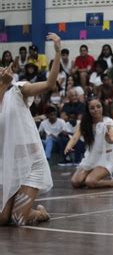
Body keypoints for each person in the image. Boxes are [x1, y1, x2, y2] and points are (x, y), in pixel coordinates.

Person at [0, 33, 62, 226]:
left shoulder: (19, 89)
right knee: (2, 219)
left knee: (18, 220)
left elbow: (50, 84)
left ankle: (40, 212)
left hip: (31, 162)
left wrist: (57, 52)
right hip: (8, 164)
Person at [65, 98, 113, 188]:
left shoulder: (109, 122)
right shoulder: (85, 123)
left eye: (98, 107)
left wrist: (109, 138)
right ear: (88, 110)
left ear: (102, 107)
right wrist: (68, 146)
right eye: (92, 108)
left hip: (106, 159)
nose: (96, 110)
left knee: (90, 182)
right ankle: (93, 176)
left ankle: (111, 182)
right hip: (91, 157)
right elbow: (75, 137)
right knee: (75, 182)